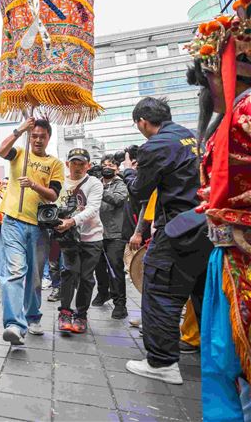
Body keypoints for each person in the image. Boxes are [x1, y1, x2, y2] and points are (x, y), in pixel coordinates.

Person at [185, 0, 251, 419]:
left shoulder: (245, 109)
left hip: (242, 253)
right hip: (228, 256)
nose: (207, 90)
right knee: (229, 365)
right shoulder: (229, 118)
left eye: (207, 77)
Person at [123, 97, 205, 385]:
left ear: (142, 122)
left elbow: (140, 190)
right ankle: (217, 356)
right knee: (203, 294)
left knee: (160, 291)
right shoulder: (193, 137)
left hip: (180, 229)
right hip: (208, 226)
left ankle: (162, 363)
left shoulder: (155, 145)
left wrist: (129, 171)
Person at [0, 118, 63, 344]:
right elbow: (1, 151)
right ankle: (14, 325)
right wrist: (19, 130)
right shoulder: (19, 152)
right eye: (34, 135)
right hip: (12, 221)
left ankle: (33, 316)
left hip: (39, 226)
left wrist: (34, 185)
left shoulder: (55, 164)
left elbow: (53, 194)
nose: (37, 140)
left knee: (35, 276)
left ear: (48, 138)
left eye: (42, 136)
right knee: (14, 272)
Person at [54, 148, 104, 334]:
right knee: (69, 273)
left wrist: (72, 221)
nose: (77, 167)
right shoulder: (60, 182)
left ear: (88, 165)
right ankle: (65, 313)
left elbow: (92, 208)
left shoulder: (94, 183)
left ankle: (81, 315)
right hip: (69, 238)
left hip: (92, 237)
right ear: (67, 164)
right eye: (74, 163)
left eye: (81, 163)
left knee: (86, 278)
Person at [92, 156, 129, 319]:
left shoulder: (120, 184)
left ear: (117, 168)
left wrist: (100, 189)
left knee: (115, 268)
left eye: (111, 165)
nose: (107, 167)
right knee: (99, 268)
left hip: (115, 233)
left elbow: (118, 200)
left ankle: (120, 304)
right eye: (104, 165)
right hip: (96, 232)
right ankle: (103, 293)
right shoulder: (95, 182)